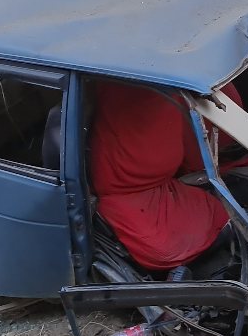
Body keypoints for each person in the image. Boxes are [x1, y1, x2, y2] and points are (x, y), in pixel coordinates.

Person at [88, 81, 229, 270]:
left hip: (161, 185)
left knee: (220, 216)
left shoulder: (166, 84)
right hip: (124, 196)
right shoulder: (135, 85)